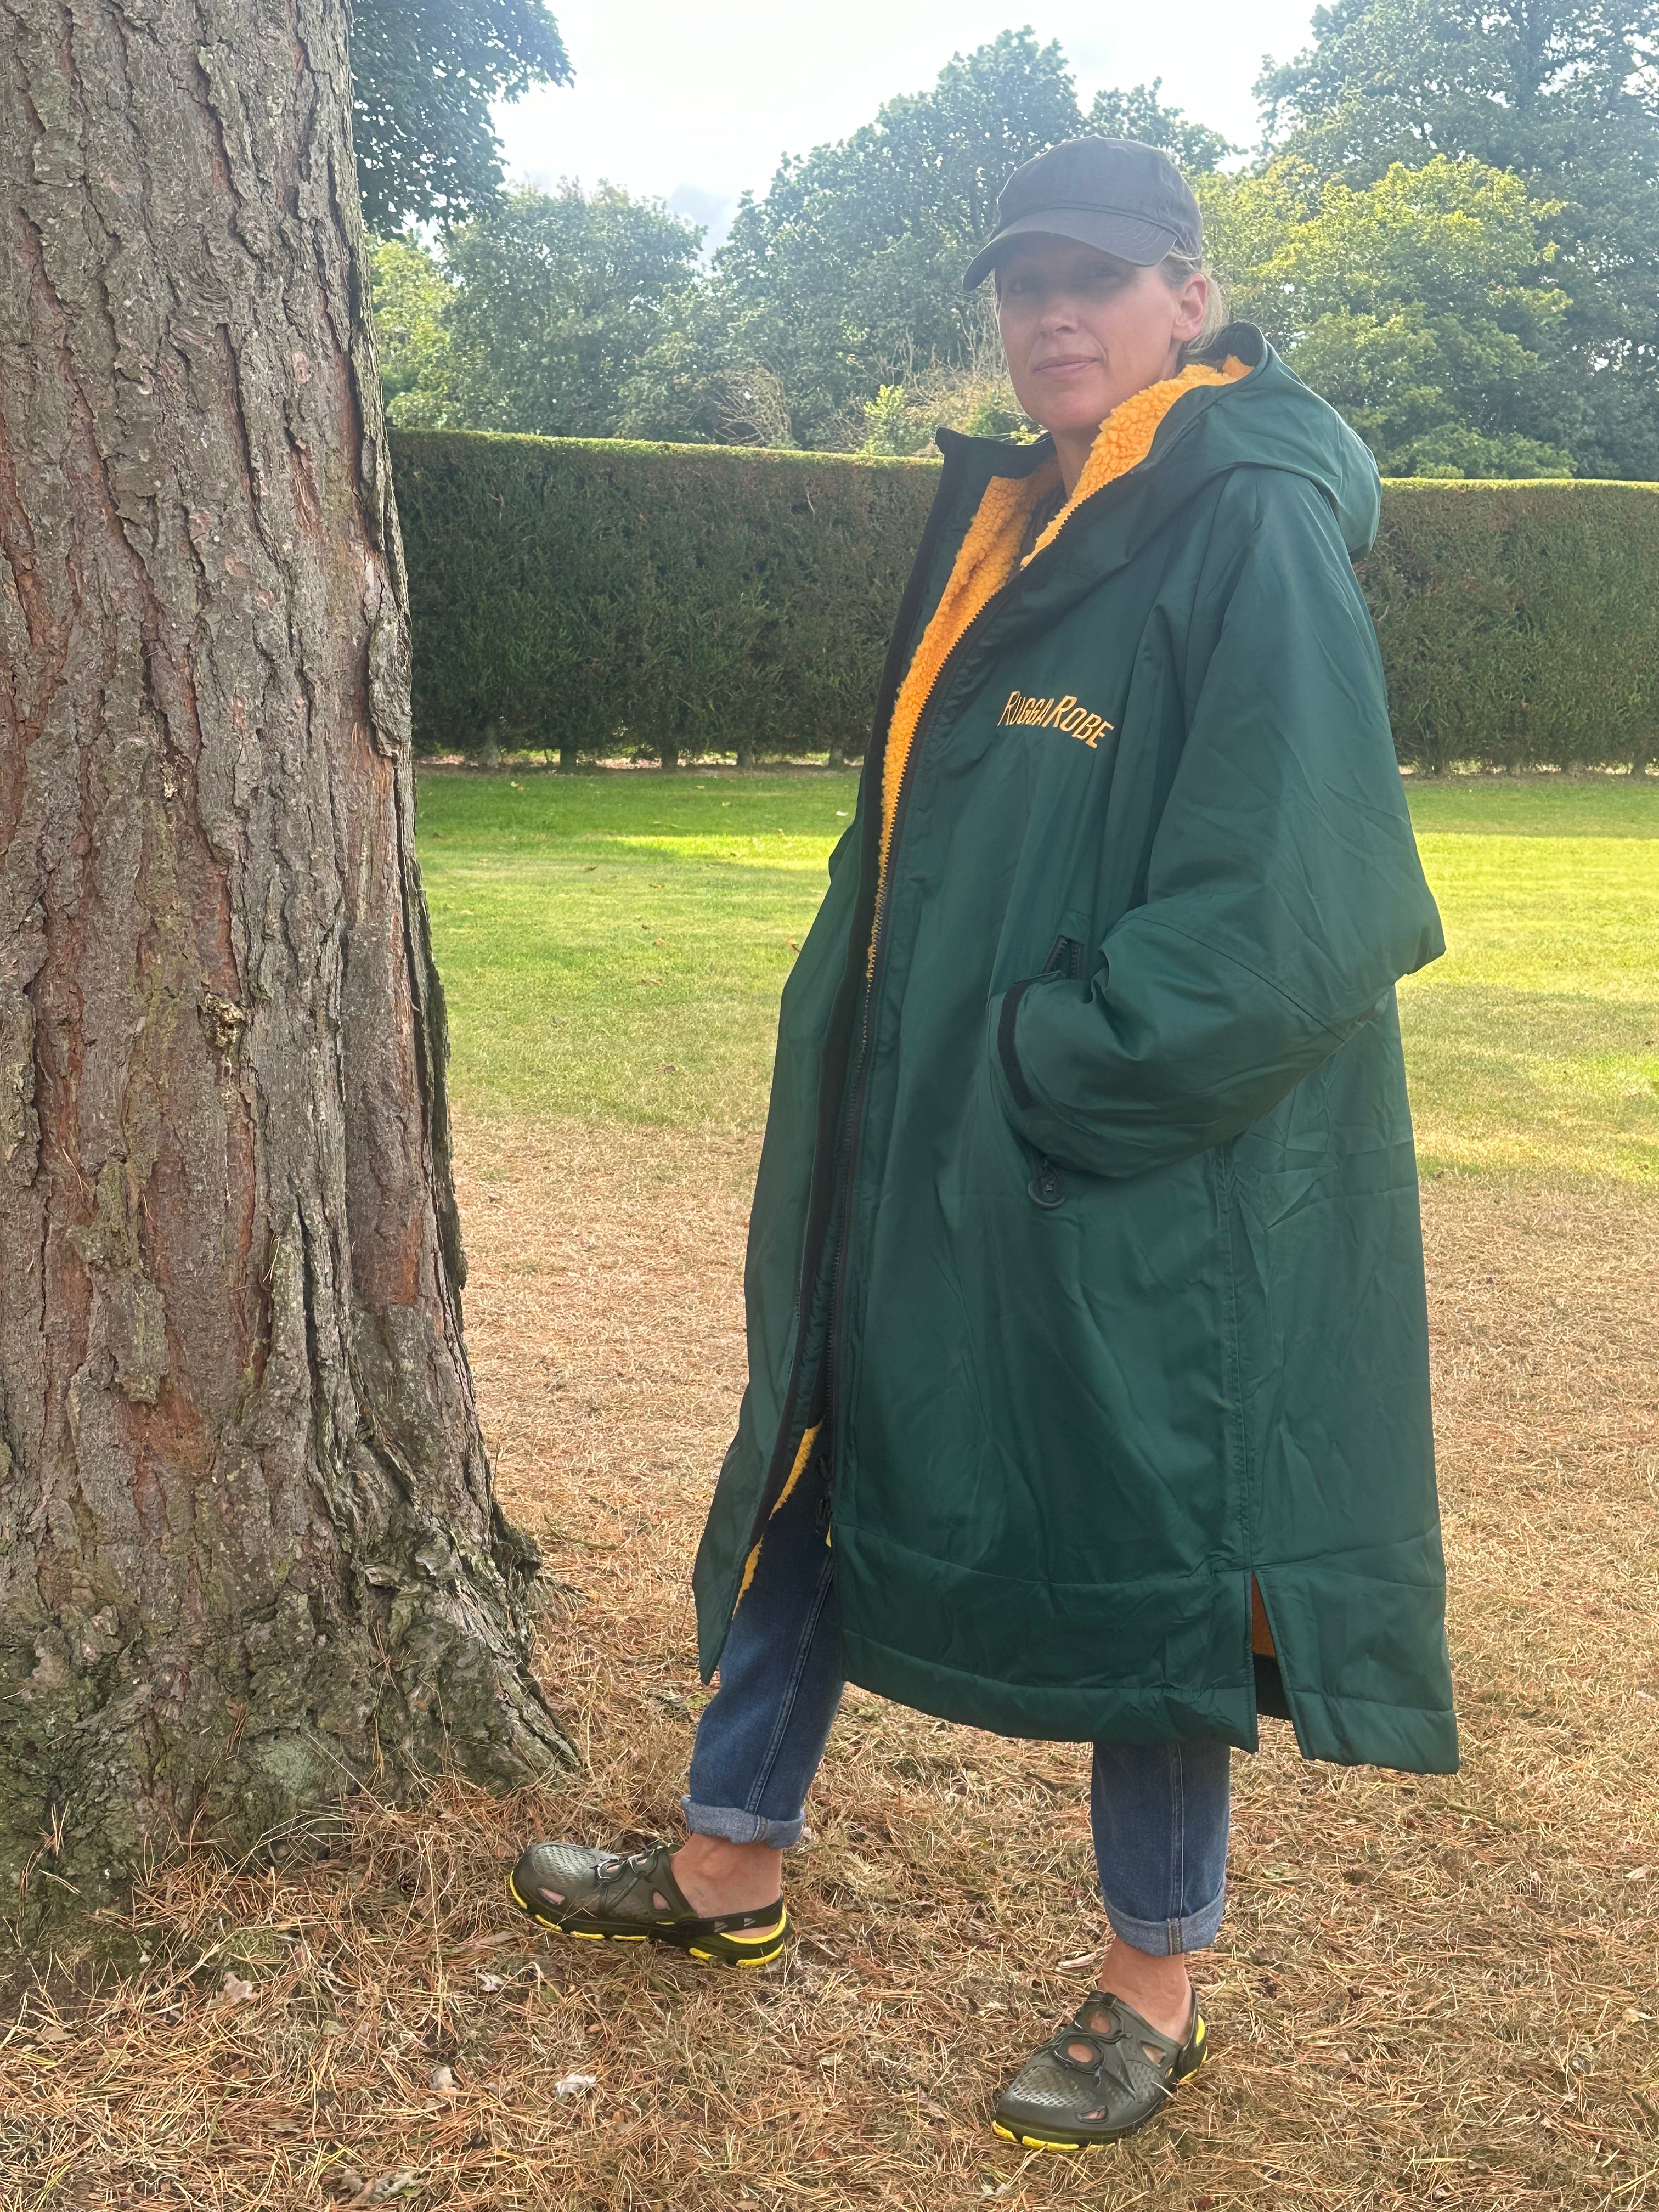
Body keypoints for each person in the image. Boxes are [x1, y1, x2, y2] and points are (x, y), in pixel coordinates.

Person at [510, 137, 1458, 2152]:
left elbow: (1303, 901)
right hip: (925, 1126)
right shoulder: (1028, 512)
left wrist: (1055, 1067)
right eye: (1024, 282)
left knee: (1151, 1524)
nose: (1052, 314)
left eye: (1097, 280)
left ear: (1189, 301)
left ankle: (1155, 1982)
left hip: (1115, 1159)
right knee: (835, 1433)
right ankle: (728, 1859)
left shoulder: (1245, 518)